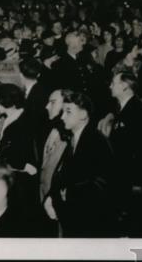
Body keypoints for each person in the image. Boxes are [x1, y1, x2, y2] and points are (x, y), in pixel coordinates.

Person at [47, 90, 114, 237]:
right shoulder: (75, 138)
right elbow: (61, 174)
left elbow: (102, 183)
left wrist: (68, 194)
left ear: (83, 115)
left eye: (68, 112)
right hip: (73, 218)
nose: (63, 116)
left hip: (88, 224)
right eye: (63, 111)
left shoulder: (97, 142)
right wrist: (51, 197)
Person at [102, 70, 142, 236]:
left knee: (129, 222)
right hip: (122, 175)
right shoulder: (123, 109)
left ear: (125, 86)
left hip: (130, 178)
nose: (110, 86)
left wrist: (136, 182)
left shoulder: (137, 111)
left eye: (114, 83)